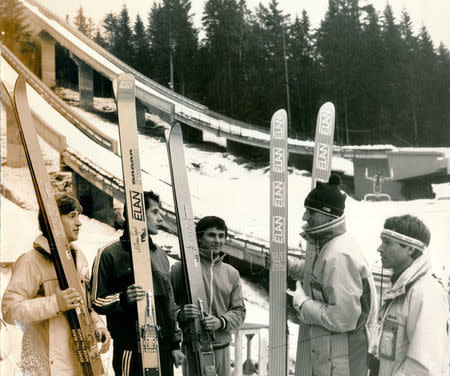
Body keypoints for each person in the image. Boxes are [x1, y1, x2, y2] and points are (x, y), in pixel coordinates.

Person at [1, 194, 110, 375]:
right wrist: (55, 303)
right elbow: (10, 311)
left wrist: (98, 326)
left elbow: (85, 305)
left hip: (83, 363)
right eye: (72, 215)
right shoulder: (30, 261)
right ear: (53, 220)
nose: (79, 223)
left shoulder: (78, 258)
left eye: (79, 216)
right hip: (47, 367)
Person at [290, 174, 377, 376]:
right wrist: (289, 265)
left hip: (342, 362)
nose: (304, 217)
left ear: (328, 215)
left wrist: (303, 304)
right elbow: (320, 277)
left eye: (311, 211)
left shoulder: (338, 255)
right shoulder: (334, 245)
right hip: (337, 357)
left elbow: (343, 318)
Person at [90, 190, 184, 376]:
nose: (160, 219)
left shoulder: (160, 255)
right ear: (138, 215)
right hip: (130, 348)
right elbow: (96, 301)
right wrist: (123, 298)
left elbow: (169, 303)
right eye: (155, 212)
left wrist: (174, 344)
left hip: (162, 347)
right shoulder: (109, 253)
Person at [371, 215, 450, 375]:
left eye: (387, 243)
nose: (379, 249)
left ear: (411, 249)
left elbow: (424, 368)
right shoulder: (399, 287)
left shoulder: (425, 293)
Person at [170, 216, 246, 376]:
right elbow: (168, 307)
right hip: (193, 348)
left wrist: (221, 321)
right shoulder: (181, 268)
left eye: (221, 235)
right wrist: (181, 313)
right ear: (199, 237)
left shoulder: (231, 273)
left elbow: (239, 311)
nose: (217, 240)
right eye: (211, 235)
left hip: (222, 348)